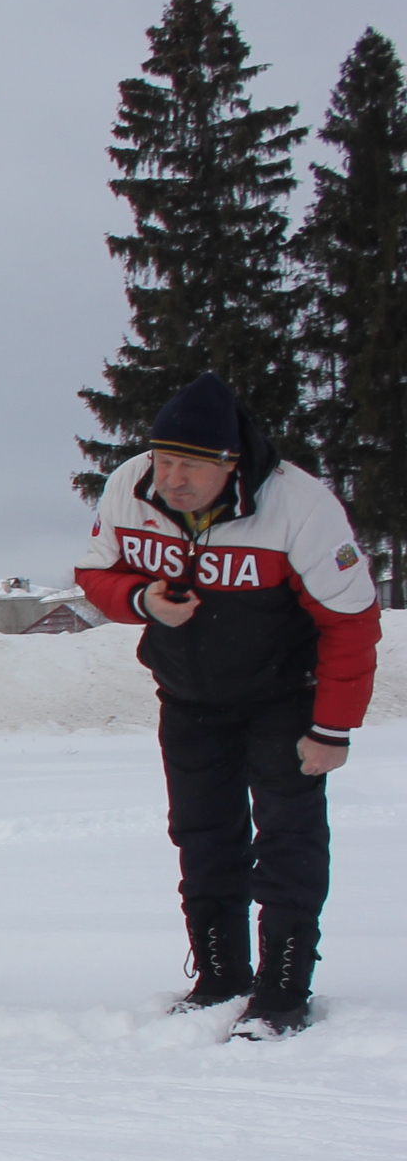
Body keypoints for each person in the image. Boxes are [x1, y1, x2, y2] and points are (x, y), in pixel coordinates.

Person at [72, 371, 379, 1035]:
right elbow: (95, 573)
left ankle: (283, 990)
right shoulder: (129, 485)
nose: (173, 480)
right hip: (188, 697)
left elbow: (352, 620)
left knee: (288, 841)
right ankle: (219, 976)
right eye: (165, 460)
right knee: (202, 835)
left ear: (231, 462)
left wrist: (333, 728)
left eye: (192, 466)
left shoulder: (300, 504)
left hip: (284, 699)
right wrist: (141, 599)